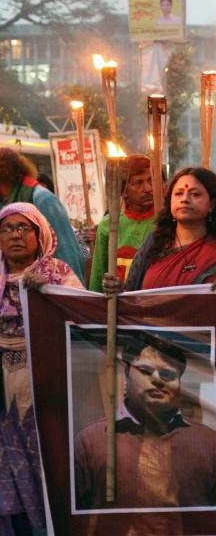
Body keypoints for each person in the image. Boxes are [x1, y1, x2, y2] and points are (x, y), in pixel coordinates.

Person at [0, 203, 83, 534]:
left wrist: (49, 294)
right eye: (7, 229)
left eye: (24, 228)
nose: (15, 235)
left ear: (41, 234)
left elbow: (83, 319)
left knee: (50, 465)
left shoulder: (58, 273)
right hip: (3, 387)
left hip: (47, 387)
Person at [73, 333, 216, 510]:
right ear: (127, 374)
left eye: (167, 374)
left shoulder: (209, 443)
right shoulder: (89, 441)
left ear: (180, 384)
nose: (157, 380)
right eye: (145, 371)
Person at [121, 168, 216, 291]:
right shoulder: (154, 243)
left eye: (195, 194)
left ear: (211, 205)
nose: (185, 199)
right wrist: (116, 291)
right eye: (179, 193)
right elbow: (129, 296)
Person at [0, 147, 85, 281]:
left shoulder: (43, 199)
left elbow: (68, 253)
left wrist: (72, 294)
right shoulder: (3, 204)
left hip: (44, 289)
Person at [88, 154, 157, 292]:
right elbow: (99, 276)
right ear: (124, 191)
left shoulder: (166, 220)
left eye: (151, 181)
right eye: (138, 183)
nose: (148, 188)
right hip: (119, 308)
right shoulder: (109, 224)